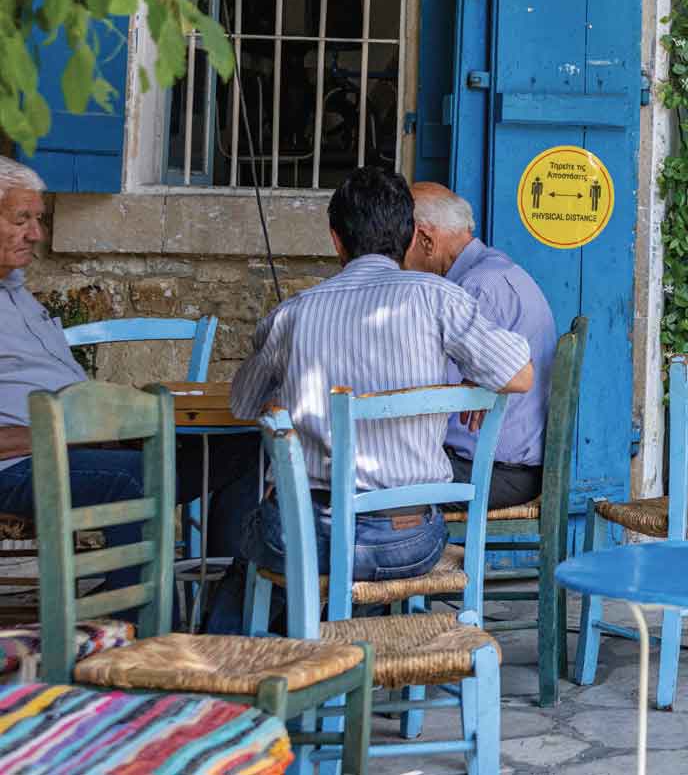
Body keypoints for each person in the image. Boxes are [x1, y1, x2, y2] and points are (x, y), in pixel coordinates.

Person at [207, 167, 532, 632]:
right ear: (408, 237)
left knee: (257, 542)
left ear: (336, 240)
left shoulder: (292, 314)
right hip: (406, 543)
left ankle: (239, 661)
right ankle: (356, 646)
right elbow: (519, 376)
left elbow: (242, 404)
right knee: (347, 558)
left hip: (302, 540)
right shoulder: (441, 300)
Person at [0, 155, 257, 607]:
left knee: (246, 450)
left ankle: (220, 621)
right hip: (20, 465)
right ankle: (139, 632)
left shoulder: (16, 292)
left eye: (37, 220)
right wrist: (62, 436)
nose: (36, 234)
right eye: (21, 220)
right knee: (140, 478)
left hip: (85, 442)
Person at [404, 182, 557, 510]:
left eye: (401, 243)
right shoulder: (492, 270)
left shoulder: (476, 288)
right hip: (498, 465)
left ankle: (402, 559)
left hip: (495, 473)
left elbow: (426, 392)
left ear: (425, 240)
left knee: (369, 483)